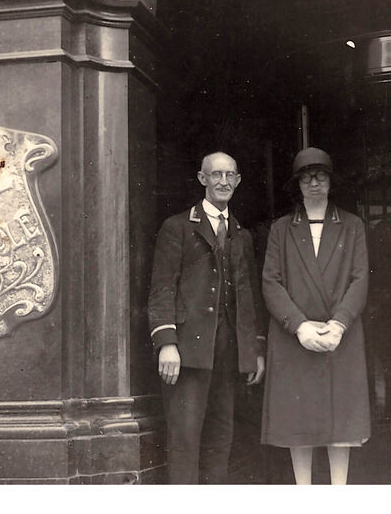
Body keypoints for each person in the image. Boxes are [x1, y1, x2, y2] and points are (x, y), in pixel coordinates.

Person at [147, 151, 266, 484]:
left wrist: (255, 349)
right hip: (187, 352)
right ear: (202, 179)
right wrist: (167, 343)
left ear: (238, 180)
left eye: (230, 175)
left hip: (227, 354)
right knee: (184, 439)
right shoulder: (178, 227)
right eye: (216, 175)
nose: (223, 182)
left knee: (220, 437)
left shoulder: (242, 234)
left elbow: (248, 295)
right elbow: (161, 289)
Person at [260, 147, 370, 485]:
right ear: (298, 185)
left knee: (342, 424)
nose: (314, 182)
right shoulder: (281, 229)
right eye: (306, 177)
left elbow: (360, 278)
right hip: (296, 336)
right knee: (299, 423)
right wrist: (300, 326)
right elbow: (270, 281)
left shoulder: (352, 225)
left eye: (321, 176)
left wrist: (339, 324)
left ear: (331, 181)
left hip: (342, 334)